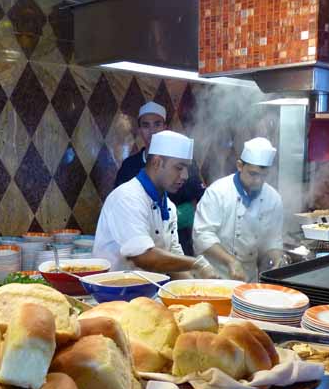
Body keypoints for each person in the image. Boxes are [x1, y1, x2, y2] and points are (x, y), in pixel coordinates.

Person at [93, 130, 219, 278]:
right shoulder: (127, 198)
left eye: (187, 168)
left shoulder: (169, 206)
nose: (185, 176)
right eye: (179, 167)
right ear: (156, 162)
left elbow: (173, 259)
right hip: (115, 293)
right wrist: (196, 263)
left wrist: (194, 289)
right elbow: (143, 257)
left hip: (148, 292)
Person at [192, 137, 285, 282]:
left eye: (263, 175)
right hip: (214, 275)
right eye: (253, 174)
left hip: (248, 277)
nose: (258, 181)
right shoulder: (218, 192)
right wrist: (231, 261)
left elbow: (273, 240)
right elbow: (202, 236)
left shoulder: (273, 198)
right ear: (240, 166)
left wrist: (277, 259)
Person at [115, 102, 167, 188]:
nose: (152, 131)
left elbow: (193, 199)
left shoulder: (177, 162)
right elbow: (119, 199)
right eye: (146, 126)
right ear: (140, 130)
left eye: (157, 125)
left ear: (165, 128)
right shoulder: (129, 166)